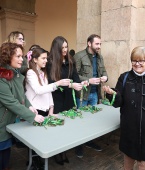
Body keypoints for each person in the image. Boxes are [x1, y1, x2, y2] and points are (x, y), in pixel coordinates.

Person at [103, 46, 145, 170]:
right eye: (134, 60)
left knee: (143, 163)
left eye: (141, 61)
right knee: (128, 159)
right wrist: (113, 95)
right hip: (130, 130)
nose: (137, 64)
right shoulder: (124, 78)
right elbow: (118, 103)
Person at [0, 42, 44, 170]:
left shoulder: (15, 73)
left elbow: (22, 96)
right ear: (8, 57)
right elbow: (11, 102)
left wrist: (29, 106)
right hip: (1, 123)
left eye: (22, 56)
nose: (22, 59)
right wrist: (32, 116)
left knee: (6, 155)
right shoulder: (2, 77)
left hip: (8, 122)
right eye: (18, 56)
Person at [47, 36, 84, 165]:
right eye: (62, 47)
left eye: (66, 47)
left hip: (68, 99)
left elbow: (76, 78)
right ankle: (58, 153)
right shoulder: (50, 62)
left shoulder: (70, 60)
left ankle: (64, 151)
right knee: (58, 127)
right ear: (56, 48)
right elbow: (52, 83)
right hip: (56, 99)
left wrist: (81, 84)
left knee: (67, 126)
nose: (65, 50)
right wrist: (70, 85)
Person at [73, 34, 108, 158]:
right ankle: (79, 146)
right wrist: (89, 80)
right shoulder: (78, 56)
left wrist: (105, 77)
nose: (99, 46)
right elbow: (75, 75)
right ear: (89, 43)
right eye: (97, 44)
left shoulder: (100, 57)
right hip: (82, 94)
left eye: (100, 44)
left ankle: (89, 141)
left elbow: (103, 71)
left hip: (95, 93)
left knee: (92, 120)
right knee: (81, 120)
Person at [25, 47, 71, 117]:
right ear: (35, 60)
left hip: (45, 110)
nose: (46, 61)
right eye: (43, 58)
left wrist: (51, 109)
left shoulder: (43, 73)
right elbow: (38, 90)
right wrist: (58, 83)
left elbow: (48, 92)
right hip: (35, 110)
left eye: (46, 58)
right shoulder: (30, 73)